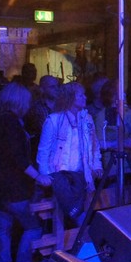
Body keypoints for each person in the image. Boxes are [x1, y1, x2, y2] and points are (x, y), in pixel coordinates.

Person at [0, 83, 52, 262]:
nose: (29, 106)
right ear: (20, 101)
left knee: (2, 230)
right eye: (28, 101)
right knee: (33, 227)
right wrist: (38, 176)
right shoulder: (11, 122)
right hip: (13, 188)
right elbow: (17, 158)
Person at [36, 82, 103, 223]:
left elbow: (94, 146)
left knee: (83, 215)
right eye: (81, 95)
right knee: (65, 219)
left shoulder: (87, 119)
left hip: (82, 176)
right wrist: (46, 176)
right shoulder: (53, 120)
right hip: (60, 177)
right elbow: (43, 150)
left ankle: (82, 232)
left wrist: (97, 165)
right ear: (70, 97)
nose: (85, 97)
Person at [24, 75, 60, 157]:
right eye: (52, 87)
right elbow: (44, 131)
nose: (57, 89)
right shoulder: (36, 107)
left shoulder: (62, 106)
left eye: (57, 86)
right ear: (42, 89)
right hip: (43, 151)